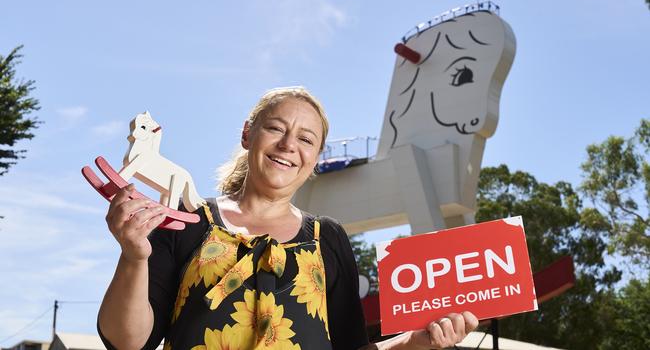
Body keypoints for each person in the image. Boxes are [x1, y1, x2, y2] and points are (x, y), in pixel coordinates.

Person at [97, 86, 478, 350]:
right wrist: (134, 257)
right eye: (276, 128)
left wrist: (415, 341)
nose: (288, 145)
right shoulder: (186, 220)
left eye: (306, 139)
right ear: (248, 135)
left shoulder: (328, 239)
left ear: (314, 158)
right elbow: (127, 341)